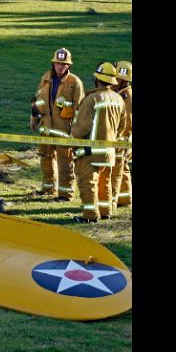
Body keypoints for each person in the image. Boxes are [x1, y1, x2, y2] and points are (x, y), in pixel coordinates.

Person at [71, 62, 126, 223]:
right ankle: (105, 211)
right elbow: (122, 126)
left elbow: (82, 127)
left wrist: (73, 138)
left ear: (97, 80)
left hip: (91, 152)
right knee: (105, 182)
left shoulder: (92, 99)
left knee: (88, 183)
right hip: (109, 152)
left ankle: (90, 216)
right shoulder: (118, 99)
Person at [30, 48, 85, 201]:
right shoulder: (46, 78)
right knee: (45, 159)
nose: (60, 67)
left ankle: (66, 194)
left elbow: (79, 110)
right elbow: (38, 101)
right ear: (53, 63)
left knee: (65, 163)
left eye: (64, 64)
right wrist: (34, 119)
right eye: (58, 63)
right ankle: (48, 189)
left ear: (68, 66)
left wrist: (76, 132)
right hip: (46, 129)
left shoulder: (75, 83)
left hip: (64, 132)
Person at [110, 61, 132, 208]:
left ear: (123, 78)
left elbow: (129, 121)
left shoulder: (127, 95)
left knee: (117, 169)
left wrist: (123, 140)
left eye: (116, 77)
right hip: (122, 139)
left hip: (123, 139)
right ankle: (124, 198)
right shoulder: (122, 92)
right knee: (123, 167)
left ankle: (117, 198)